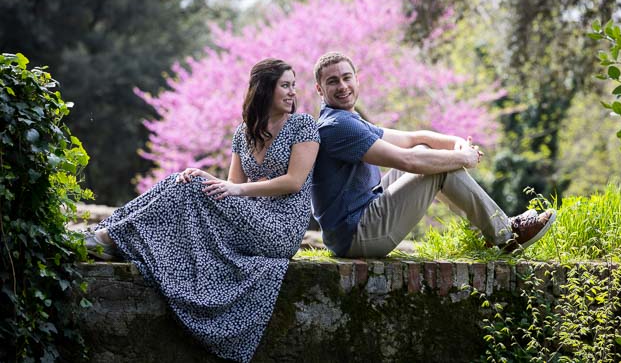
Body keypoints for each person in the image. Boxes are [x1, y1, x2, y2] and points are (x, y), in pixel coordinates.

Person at [83, 58, 320, 362]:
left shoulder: (302, 125)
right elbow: (231, 186)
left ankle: (110, 237)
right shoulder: (244, 132)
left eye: (293, 86)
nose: (292, 93)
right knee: (182, 180)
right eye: (285, 85)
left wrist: (236, 189)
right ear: (264, 89)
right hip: (250, 218)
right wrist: (207, 178)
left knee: (190, 187)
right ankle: (112, 231)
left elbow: (294, 181)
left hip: (281, 230)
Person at [310, 51, 556, 258]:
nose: (342, 86)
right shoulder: (338, 126)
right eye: (333, 82)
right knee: (434, 169)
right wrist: (463, 159)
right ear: (320, 89)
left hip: (356, 224)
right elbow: (409, 161)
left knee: (425, 151)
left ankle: (491, 230)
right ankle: (506, 235)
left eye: (346, 77)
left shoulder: (346, 119)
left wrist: (458, 144)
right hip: (356, 236)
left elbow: (414, 139)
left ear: (357, 80)